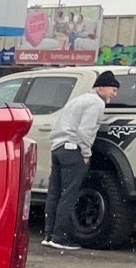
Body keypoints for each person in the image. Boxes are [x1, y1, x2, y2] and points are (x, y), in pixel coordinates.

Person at [43, 69, 120, 250]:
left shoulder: (78, 100)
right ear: (101, 87)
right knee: (69, 195)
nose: (114, 94)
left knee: (54, 193)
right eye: (113, 90)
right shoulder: (96, 103)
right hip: (73, 150)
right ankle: (60, 237)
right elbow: (86, 131)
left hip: (58, 148)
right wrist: (86, 153)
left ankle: (49, 234)